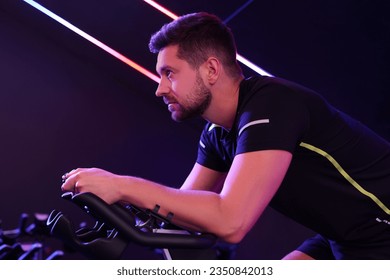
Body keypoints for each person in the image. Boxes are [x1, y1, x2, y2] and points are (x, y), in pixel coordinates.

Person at [61, 12, 390, 260]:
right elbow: (180, 218)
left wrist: (123, 185)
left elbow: (231, 221)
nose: (160, 88)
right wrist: (118, 211)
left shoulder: (271, 103)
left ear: (211, 70)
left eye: (169, 73)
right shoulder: (217, 134)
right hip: (345, 234)